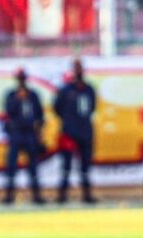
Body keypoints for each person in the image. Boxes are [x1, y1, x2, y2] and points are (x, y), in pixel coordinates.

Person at [54, 59, 97, 204]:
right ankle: (62, 195)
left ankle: (87, 195)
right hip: (69, 132)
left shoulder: (89, 89)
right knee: (66, 166)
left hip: (85, 132)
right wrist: (69, 121)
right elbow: (57, 108)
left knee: (85, 166)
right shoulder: (66, 90)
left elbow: (92, 107)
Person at [2, 68, 45, 205]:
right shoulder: (11, 95)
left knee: (33, 166)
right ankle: (9, 195)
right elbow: (8, 112)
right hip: (16, 133)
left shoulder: (33, 95)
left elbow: (39, 114)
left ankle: (36, 195)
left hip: (30, 133)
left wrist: (38, 132)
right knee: (11, 166)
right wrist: (17, 99)